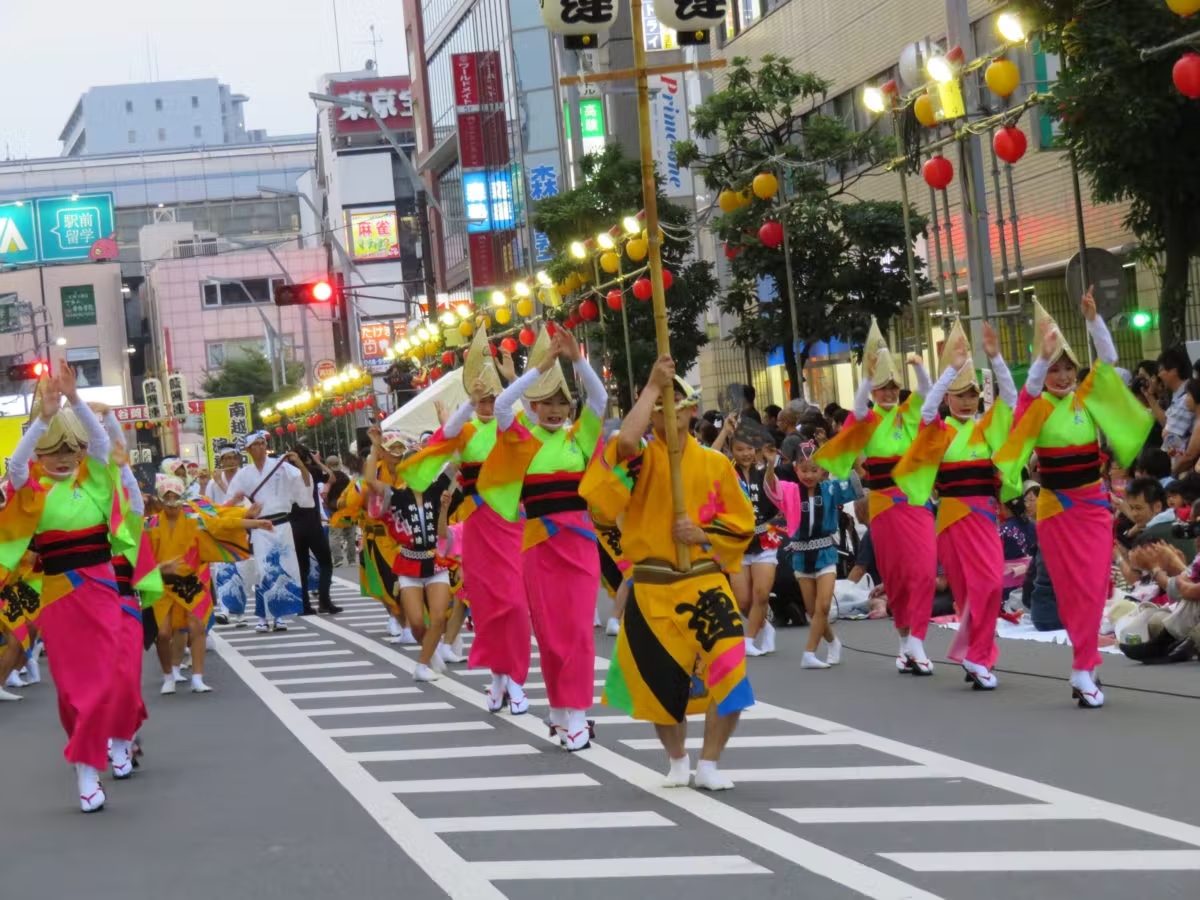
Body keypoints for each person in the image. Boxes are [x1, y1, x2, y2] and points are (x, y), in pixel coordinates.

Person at [581, 358, 755, 790]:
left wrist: (702, 533)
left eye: (674, 405)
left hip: (703, 580)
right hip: (653, 586)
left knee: (730, 670)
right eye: (657, 407)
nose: (665, 414)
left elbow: (742, 524)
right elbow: (622, 442)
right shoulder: (639, 459)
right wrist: (651, 386)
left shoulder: (716, 465)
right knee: (660, 688)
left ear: (691, 411)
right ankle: (677, 759)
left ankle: (711, 762)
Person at [995, 290, 1152, 707]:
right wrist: (1041, 358)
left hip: (1094, 507)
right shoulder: (1038, 407)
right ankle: (1084, 668)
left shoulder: (1085, 400)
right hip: (1056, 510)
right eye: (1055, 369)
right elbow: (1025, 394)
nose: (1062, 377)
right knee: (1071, 590)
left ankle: (1085, 664)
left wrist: (1092, 321)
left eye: (1068, 368)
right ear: (1044, 372)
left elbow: (1110, 362)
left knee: (1095, 584)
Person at [0, 367, 140, 812]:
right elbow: (14, 465)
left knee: (103, 682)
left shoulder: (95, 482)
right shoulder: (33, 492)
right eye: (52, 452)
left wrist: (77, 401)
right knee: (71, 690)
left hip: (100, 590)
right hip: (59, 594)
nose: (61, 460)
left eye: (70, 451)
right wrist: (43, 417)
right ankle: (86, 771)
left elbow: (103, 446)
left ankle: (94, 764)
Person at [479, 327, 608, 750]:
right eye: (547, 403)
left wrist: (577, 360)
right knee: (551, 635)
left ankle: (577, 718)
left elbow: (600, 401)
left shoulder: (578, 439)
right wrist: (541, 369)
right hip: (538, 546)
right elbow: (500, 404)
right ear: (533, 406)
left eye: (561, 403)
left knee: (578, 633)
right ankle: (559, 713)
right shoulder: (520, 439)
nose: (555, 410)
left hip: (581, 546)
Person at [400, 328, 530, 694]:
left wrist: (512, 379)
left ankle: (512, 677)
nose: (488, 405)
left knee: (516, 602)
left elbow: (535, 415)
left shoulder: (510, 428)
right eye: (481, 400)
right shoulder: (468, 429)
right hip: (475, 523)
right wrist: (463, 408)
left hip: (512, 519)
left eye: (492, 399)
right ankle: (497, 674)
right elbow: (447, 443)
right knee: (481, 599)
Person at [893, 321, 1018, 690]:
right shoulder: (941, 431)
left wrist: (995, 359)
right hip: (951, 520)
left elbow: (1011, 399)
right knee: (967, 593)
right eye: (958, 394)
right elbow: (927, 413)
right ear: (948, 397)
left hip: (982, 519)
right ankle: (975, 656)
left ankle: (977, 656)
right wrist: (949, 370)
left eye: (972, 394)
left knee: (991, 586)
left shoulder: (986, 429)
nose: (966, 400)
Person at [815, 318, 936, 675]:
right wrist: (866, 377)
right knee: (897, 578)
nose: (888, 392)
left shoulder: (910, 414)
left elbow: (929, 397)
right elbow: (858, 410)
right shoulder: (867, 421)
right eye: (881, 387)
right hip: (883, 506)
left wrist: (920, 369)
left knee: (926, 572)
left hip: (916, 502)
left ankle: (917, 641)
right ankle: (904, 643)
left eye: (893, 386)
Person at [147, 476, 268, 695]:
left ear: (182, 497)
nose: (172, 502)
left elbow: (220, 522)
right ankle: (168, 675)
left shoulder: (195, 518)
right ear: (161, 500)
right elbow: (138, 551)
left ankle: (197, 678)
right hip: (161, 582)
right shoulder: (151, 524)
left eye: (176, 497)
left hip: (190, 580)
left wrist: (255, 523)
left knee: (197, 627)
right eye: (168, 498)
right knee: (163, 634)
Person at [366, 444, 456, 682]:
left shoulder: (437, 490)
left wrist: (453, 430)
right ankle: (430, 649)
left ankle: (422, 665)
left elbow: (456, 461)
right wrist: (375, 451)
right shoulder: (396, 495)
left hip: (435, 561)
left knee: (438, 617)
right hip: (409, 562)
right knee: (416, 623)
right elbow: (370, 482)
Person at [772, 440, 863, 668]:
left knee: (823, 607)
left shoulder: (830, 489)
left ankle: (809, 653)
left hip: (825, 553)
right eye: (804, 470)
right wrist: (767, 466)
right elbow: (772, 488)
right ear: (796, 470)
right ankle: (833, 642)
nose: (809, 475)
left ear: (823, 470)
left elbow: (855, 481)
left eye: (814, 469)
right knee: (813, 611)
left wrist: (851, 455)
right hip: (801, 555)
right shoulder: (792, 491)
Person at [711, 415, 783, 656]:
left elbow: (775, 491)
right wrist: (724, 432)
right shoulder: (725, 471)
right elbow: (707, 460)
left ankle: (749, 639)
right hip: (737, 542)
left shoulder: (764, 471)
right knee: (742, 601)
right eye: (740, 449)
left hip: (764, 538)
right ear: (732, 450)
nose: (745, 454)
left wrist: (771, 465)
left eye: (750, 449)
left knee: (761, 593)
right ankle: (765, 628)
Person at [224, 433, 309, 632]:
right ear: (248, 450)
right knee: (263, 571)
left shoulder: (282, 467)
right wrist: (245, 510)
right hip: (261, 527)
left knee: (284, 570)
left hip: (282, 525)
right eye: (256, 444)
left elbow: (304, 486)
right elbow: (230, 503)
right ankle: (262, 616)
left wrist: (301, 465)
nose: (261, 447)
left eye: (263, 443)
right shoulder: (244, 474)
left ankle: (279, 616)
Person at [289, 446, 341, 616]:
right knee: (325, 562)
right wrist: (318, 462)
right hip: (312, 522)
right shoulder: (311, 470)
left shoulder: (286, 474)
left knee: (301, 567)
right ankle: (325, 601)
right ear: (308, 458)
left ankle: (304, 605)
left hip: (293, 525)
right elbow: (331, 478)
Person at [1149, 347, 1194, 472]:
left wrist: (1173, 472)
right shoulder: (1178, 396)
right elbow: (1168, 425)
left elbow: (1169, 434)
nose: (1159, 375)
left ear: (1174, 371)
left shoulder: (1185, 398)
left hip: (1185, 469)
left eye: (1161, 370)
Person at [324, 455, 356, 567]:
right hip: (347, 510)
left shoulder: (329, 478)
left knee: (334, 535)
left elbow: (324, 493)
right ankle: (352, 559)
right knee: (350, 534)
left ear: (328, 465)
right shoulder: (345, 477)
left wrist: (326, 504)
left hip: (335, 511)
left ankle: (338, 559)